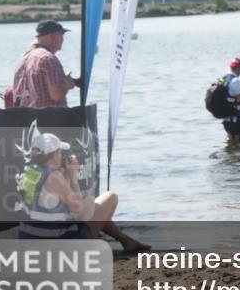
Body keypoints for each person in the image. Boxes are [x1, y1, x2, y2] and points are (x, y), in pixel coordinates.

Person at [19, 130, 148, 251]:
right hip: (54, 246)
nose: (62, 155)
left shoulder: (28, 171)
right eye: (59, 152)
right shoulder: (54, 178)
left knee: (95, 208)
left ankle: (125, 240)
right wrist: (73, 176)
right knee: (109, 198)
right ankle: (110, 244)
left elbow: (52, 201)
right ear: (53, 155)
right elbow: (78, 209)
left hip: (30, 240)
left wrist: (66, 175)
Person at [11, 20, 76, 108]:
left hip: (25, 116)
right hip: (48, 116)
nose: (63, 39)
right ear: (52, 36)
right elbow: (56, 94)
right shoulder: (48, 58)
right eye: (61, 34)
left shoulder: (24, 59)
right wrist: (67, 84)